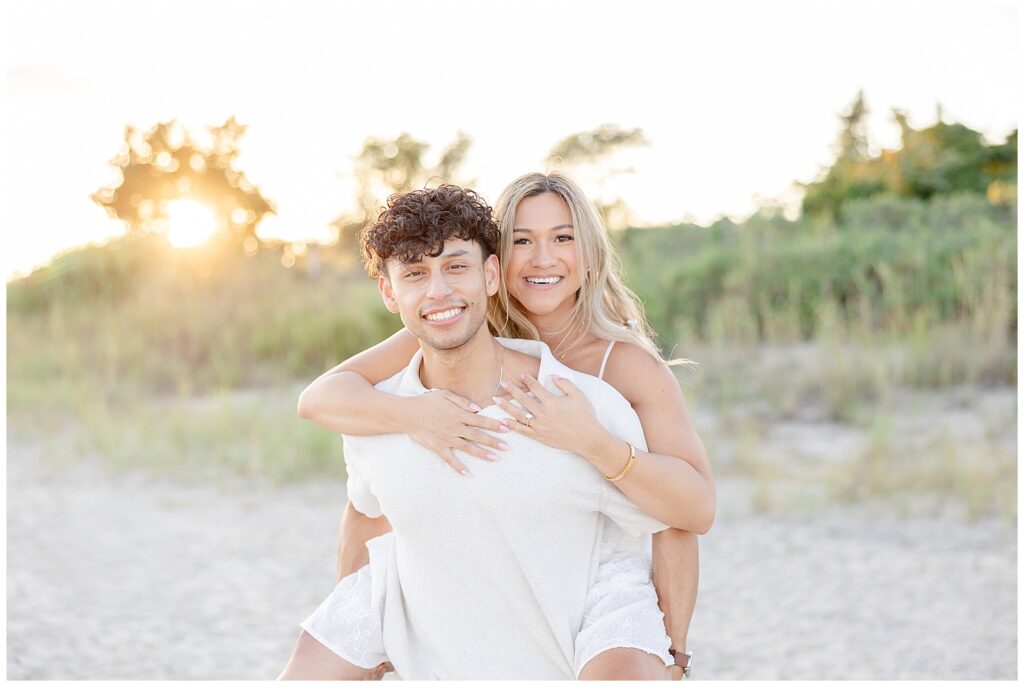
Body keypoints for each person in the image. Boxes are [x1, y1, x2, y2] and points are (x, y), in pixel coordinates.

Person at [296, 174, 715, 678]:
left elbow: (684, 516)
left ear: (589, 252)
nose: (542, 258)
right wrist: (416, 415)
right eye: (522, 240)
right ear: (498, 262)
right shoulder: (460, 324)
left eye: (562, 238)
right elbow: (322, 398)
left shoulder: (623, 369)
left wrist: (675, 651)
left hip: (594, 570)